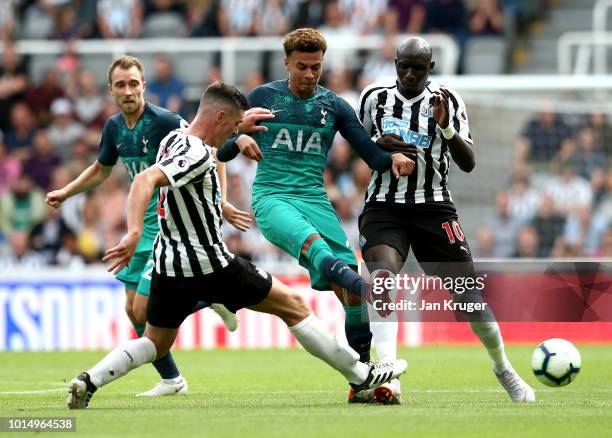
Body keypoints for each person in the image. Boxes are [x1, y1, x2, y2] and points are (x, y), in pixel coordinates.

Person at [66, 81, 407, 409]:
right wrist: (135, 231)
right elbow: (145, 179)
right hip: (211, 263)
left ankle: (90, 379)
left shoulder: (171, 139)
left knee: (154, 342)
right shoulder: (198, 153)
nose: (233, 132)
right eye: (231, 125)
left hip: (169, 267)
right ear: (217, 118)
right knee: (293, 306)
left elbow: (193, 165)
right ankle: (362, 374)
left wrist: (227, 179)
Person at [216, 28, 415, 404]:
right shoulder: (262, 97)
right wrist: (238, 136)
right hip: (273, 198)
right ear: (286, 63)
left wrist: (392, 160)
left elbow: (369, 155)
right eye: (302, 67)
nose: (310, 74)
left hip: (316, 201)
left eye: (316, 67)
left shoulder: (335, 106)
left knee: (350, 297)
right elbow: (220, 147)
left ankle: (362, 380)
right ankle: (367, 289)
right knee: (317, 248)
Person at [46, 55, 244, 397]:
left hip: (168, 221)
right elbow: (101, 168)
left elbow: (209, 149)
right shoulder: (114, 128)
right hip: (140, 221)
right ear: (110, 90)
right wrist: (66, 191)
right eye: (121, 85)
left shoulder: (166, 121)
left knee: (142, 307)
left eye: (134, 84)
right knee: (131, 308)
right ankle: (173, 379)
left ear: (144, 86)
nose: (128, 91)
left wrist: (221, 201)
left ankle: (209, 294)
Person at [357, 36, 535, 403]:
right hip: (384, 206)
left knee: (469, 298)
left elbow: (468, 163)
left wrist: (447, 128)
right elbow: (360, 148)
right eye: (402, 66)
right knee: (382, 278)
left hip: (434, 208)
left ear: (430, 68)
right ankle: (388, 373)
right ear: (394, 64)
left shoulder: (448, 101)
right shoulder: (373, 97)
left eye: (417, 68)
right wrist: (381, 147)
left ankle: (504, 368)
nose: (408, 74)